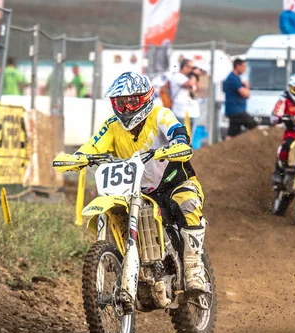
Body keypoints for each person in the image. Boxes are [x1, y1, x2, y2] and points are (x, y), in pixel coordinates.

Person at [74, 72, 207, 294]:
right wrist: (77, 157)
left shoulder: (159, 115)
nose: (126, 108)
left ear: (145, 98)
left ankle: (194, 268)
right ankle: (117, 256)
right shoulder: (112, 126)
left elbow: (177, 131)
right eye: (121, 103)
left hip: (174, 183)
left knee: (186, 202)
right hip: (137, 191)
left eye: (132, 101)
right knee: (116, 210)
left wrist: (178, 143)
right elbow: (92, 145)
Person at [223, 58, 258, 139]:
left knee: (233, 133)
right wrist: (247, 86)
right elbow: (246, 94)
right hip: (236, 110)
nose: (244, 69)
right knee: (253, 125)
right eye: (243, 66)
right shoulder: (233, 78)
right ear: (237, 66)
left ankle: (226, 149)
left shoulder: (236, 78)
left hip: (234, 110)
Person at [169, 59, 198, 126]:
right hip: (179, 111)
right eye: (190, 67)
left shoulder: (186, 77)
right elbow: (190, 84)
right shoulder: (177, 76)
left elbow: (196, 89)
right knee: (181, 133)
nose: (191, 70)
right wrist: (194, 74)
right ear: (184, 67)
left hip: (187, 110)